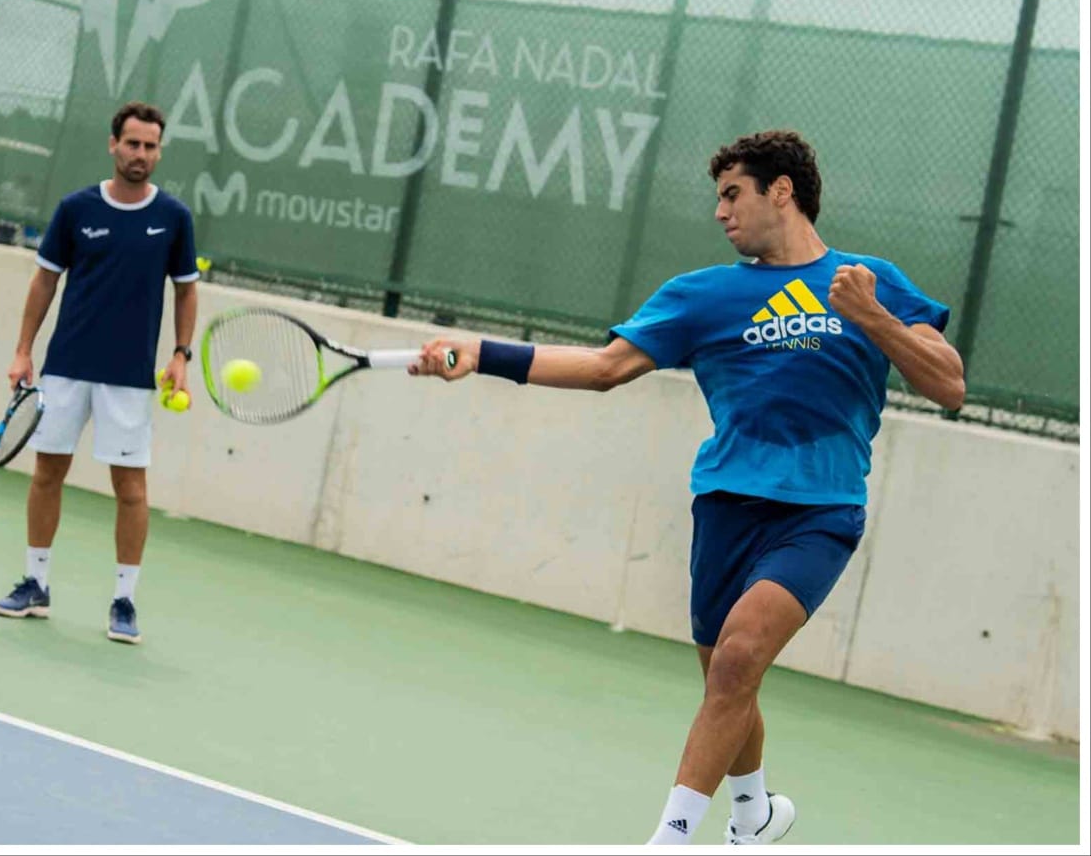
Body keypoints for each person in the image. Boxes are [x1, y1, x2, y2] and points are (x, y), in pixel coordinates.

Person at [410, 130, 965, 845]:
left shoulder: (870, 280)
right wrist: (483, 353)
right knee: (727, 680)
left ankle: (668, 841)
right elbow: (606, 367)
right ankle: (755, 813)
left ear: (782, 192)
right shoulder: (703, 296)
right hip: (727, 504)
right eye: (718, 199)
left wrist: (875, 317)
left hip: (821, 510)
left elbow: (948, 384)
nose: (720, 212)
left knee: (738, 657)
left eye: (733, 194)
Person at [0, 101, 200, 645]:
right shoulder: (76, 209)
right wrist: (22, 350)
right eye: (132, 144)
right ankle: (35, 586)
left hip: (129, 378)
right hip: (66, 368)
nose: (141, 155)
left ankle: (124, 601)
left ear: (159, 150)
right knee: (46, 475)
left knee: (131, 489)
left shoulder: (174, 218)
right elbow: (44, 282)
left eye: (151, 146)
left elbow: (186, 289)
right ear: (113, 145)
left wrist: (181, 354)